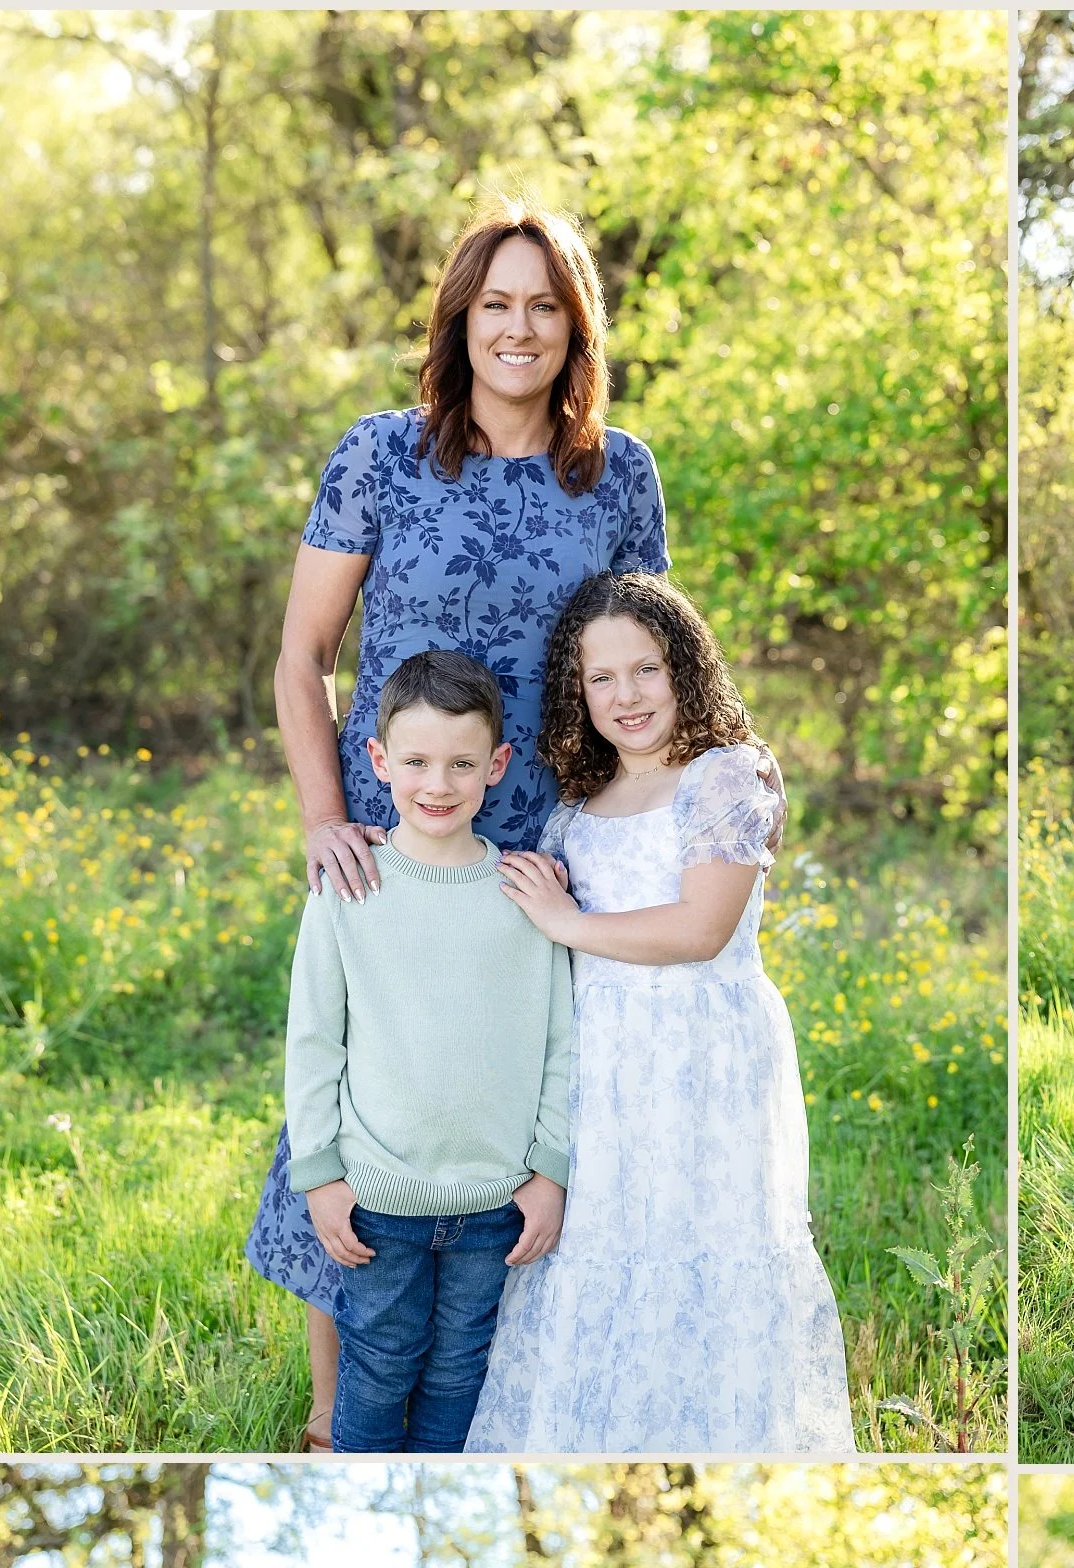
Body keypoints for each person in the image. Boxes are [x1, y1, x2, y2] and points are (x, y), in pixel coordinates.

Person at [248, 205, 669, 1447]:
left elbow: (645, 669)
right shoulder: (382, 455)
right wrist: (327, 817)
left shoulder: (619, 472)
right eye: (497, 303)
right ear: (460, 318)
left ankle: (514, 1400)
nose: (519, 327)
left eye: (545, 305)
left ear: (574, 326)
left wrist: (664, 819)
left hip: (547, 850)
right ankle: (335, 1415)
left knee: (526, 1102)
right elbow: (302, 653)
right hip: (394, 833)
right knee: (367, 1090)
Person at [469, 577, 855, 1460]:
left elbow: (700, 928)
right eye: (601, 679)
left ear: (685, 668)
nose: (627, 696)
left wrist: (569, 923)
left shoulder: (726, 775)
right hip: (601, 1067)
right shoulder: (576, 808)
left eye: (646, 669)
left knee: (699, 1243)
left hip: (702, 1056)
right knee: (599, 1251)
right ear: (578, 691)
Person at [282, 654, 570, 1448]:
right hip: (379, 1199)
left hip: (493, 1202)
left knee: (458, 1370)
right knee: (379, 1363)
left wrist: (550, 1172)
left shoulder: (525, 894)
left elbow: (560, 1045)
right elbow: (312, 1042)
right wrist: (321, 1176)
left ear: (497, 766)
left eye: (461, 763)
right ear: (379, 762)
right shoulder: (348, 886)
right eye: (415, 761)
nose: (437, 783)